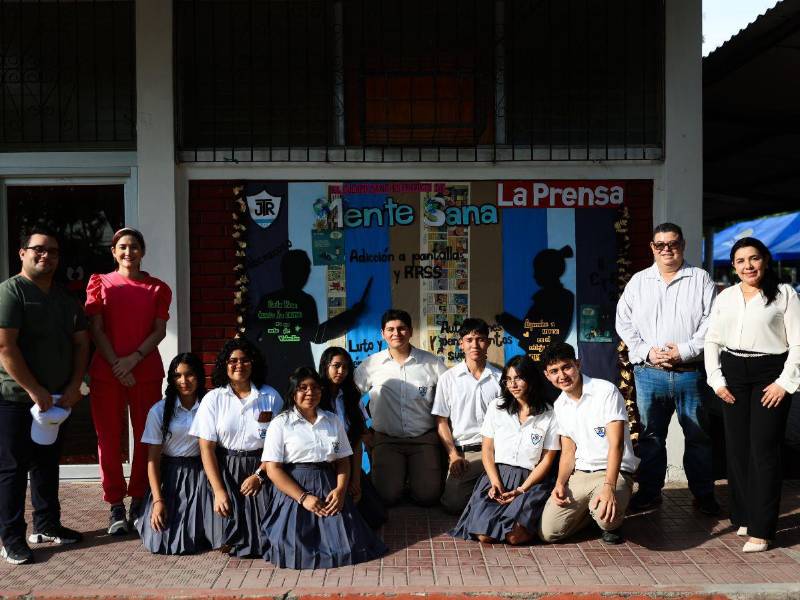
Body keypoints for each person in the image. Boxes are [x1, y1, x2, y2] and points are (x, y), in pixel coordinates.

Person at [615, 222, 719, 515]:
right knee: (651, 437)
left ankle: (704, 495)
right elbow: (623, 322)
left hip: (690, 373)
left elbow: (712, 322)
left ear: (682, 245)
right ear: (652, 247)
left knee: (698, 437)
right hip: (650, 374)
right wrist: (647, 351)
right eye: (660, 244)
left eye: (672, 243)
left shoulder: (700, 279)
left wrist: (684, 350)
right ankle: (650, 493)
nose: (667, 249)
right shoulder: (639, 282)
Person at [0, 226, 90, 565]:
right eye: (38, 249)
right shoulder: (11, 292)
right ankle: (11, 539)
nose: (46, 255)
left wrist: (74, 386)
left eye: (52, 251)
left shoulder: (65, 299)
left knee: (47, 464)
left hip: (56, 399)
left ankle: (47, 525)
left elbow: (82, 344)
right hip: (14, 398)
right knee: (12, 469)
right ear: (22, 253)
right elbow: (5, 347)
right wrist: (33, 389)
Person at [704, 237, 800, 553]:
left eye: (754, 258)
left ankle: (762, 529)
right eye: (741, 261)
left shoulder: (784, 294)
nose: (748, 266)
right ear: (734, 266)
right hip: (733, 373)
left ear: (765, 260)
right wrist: (716, 379)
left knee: (764, 450)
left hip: (769, 373)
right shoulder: (726, 296)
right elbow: (712, 340)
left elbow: (798, 343)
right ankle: (744, 516)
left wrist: (784, 382)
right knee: (738, 449)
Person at [85, 227, 172, 534]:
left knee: (146, 437)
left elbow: (159, 331)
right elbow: (96, 329)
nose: (128, 252)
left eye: (134, 246)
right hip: (106, 372)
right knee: (108, 438)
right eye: (122, 246)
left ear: (142, 251)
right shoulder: (100, 283)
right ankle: (115, 505)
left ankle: (138, 498)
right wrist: (117, 365)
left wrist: (132, 360)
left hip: (144, 371)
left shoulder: (158, 288)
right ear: (113, 251)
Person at [260, 367, 387, 569]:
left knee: (350, 546)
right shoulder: (280, 423)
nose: (310, 392)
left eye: (315, 387)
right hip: (294, 488)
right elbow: (273, 469)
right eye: (303, 388)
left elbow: (343, 460)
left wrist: (341, 490)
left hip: (329, 484)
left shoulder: (332, 420)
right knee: (294, 548)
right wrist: (303, 498)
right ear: (293, 393)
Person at [449, 355, 559, 545]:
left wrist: (522, 490)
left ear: (531, 379)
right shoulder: (497, 407)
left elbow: (547, 459)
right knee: (484, 536)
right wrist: (494, 482)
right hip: (498, 476)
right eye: (508, 379)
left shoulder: (549, 413)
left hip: (531, 480)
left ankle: (536, 518)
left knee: (514, 537)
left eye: (518, 378)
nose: (513, 384)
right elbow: (487, 450)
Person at [538, 342, 640, 545]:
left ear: (577, 364)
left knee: (606, 520)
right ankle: (593, 511)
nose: (562, 375)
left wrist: (609, 486)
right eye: (554, 371)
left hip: (614, 472)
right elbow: (568, 452)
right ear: (547, 375)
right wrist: (560, 483)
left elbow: (616, 445)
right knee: (548, 532)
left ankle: (610, 510)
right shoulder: (560, 405)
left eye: (566, 367)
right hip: (582, 474)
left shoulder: (605, 391)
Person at [189, 338, 282, 557]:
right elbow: (206, 448)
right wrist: (219, 491)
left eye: (245, 360)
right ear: (225, 365)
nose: (239, 365)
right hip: (223, 468)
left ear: (253, 363)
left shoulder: (271, 396)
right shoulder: (213, 399)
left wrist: (259, 475)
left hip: (261, 467)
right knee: (225, 531)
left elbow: (278, 446)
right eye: (233, 361)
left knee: (265, 539)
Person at [354, 309, 448, 505]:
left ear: (411, 331)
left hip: (423, 439)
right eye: (390, 329)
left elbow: (450, 398)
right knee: (386, 497)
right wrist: (363, 431)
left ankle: (413, 479)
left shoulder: (431, 363)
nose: (396, 333)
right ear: (383, 333)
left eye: (401, 328)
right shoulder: (371, 364)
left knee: (428, 497)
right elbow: (350, 398)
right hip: (387, 440)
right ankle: (398, 479)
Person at [135, 353, 210, 554]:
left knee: (199, 536)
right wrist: (158, 501)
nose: (184, 381)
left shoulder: (210, 406)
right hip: (170, 476)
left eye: (189, 374)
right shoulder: (158, 411)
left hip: (202, 473)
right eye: (178, 376)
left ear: (199, 376)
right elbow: (152, 460)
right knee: (160, 538)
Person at [432, 318, 502, 514]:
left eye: (480, 339)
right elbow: (441, 421)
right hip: (466, 453)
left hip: (497, 451)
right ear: (461, 344)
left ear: (488, 342)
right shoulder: (448, 379)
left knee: (504, 491)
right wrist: (453, 455)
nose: (475, 345)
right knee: (452, 504)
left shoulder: (500, 378)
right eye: (469, 340)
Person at [318, 347, 387, 528]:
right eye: (336, 366)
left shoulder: (351, 397)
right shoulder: (315, 396)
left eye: (346, 367)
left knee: (373, 515)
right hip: (322, 466)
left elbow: (357, 440)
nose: (341, 371)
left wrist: (355, 479)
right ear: (325, 366)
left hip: (347, 462)